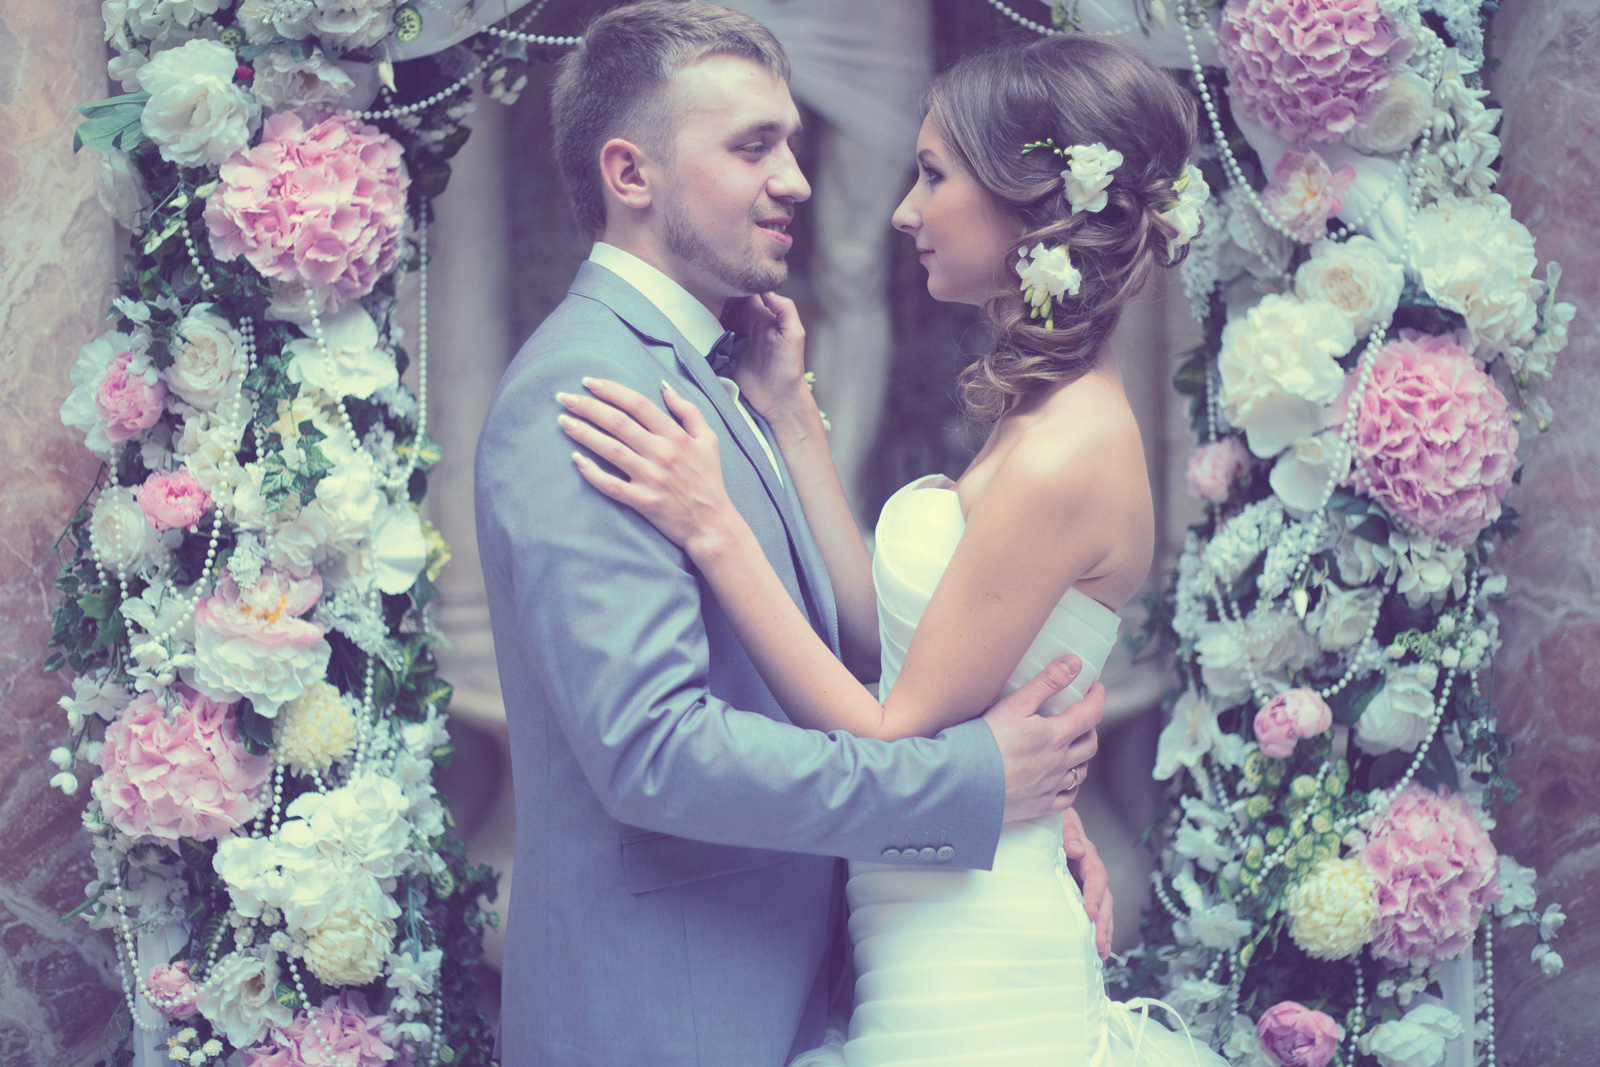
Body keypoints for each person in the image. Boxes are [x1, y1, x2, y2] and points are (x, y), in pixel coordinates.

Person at [558, 29, 1228, 1067]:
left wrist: (713, 525)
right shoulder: (1040, 415)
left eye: (932, 175)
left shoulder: (1066, 450)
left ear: (1027, 202)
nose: (904, 211)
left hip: (979, 980)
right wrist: (792, 416)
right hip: (924, 942)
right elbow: (890, 641)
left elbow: (885, 730)